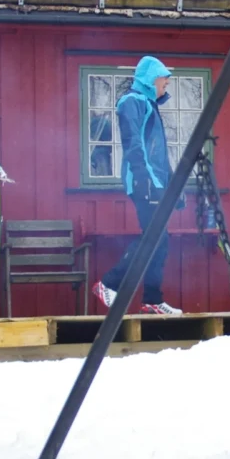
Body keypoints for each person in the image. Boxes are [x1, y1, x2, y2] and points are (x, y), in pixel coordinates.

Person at [92, 56, 184, 315]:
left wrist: (173, 188)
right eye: (164, 77)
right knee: (153, 237)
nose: (167, 81)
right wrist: (144, 180)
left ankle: (152, 299)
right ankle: (108, 284)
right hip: (142, 181)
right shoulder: (131, 102)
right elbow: (133, 143)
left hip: (155, 183)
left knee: (159, 240)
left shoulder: (149, 106)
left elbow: (161, 155)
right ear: (151, 78)